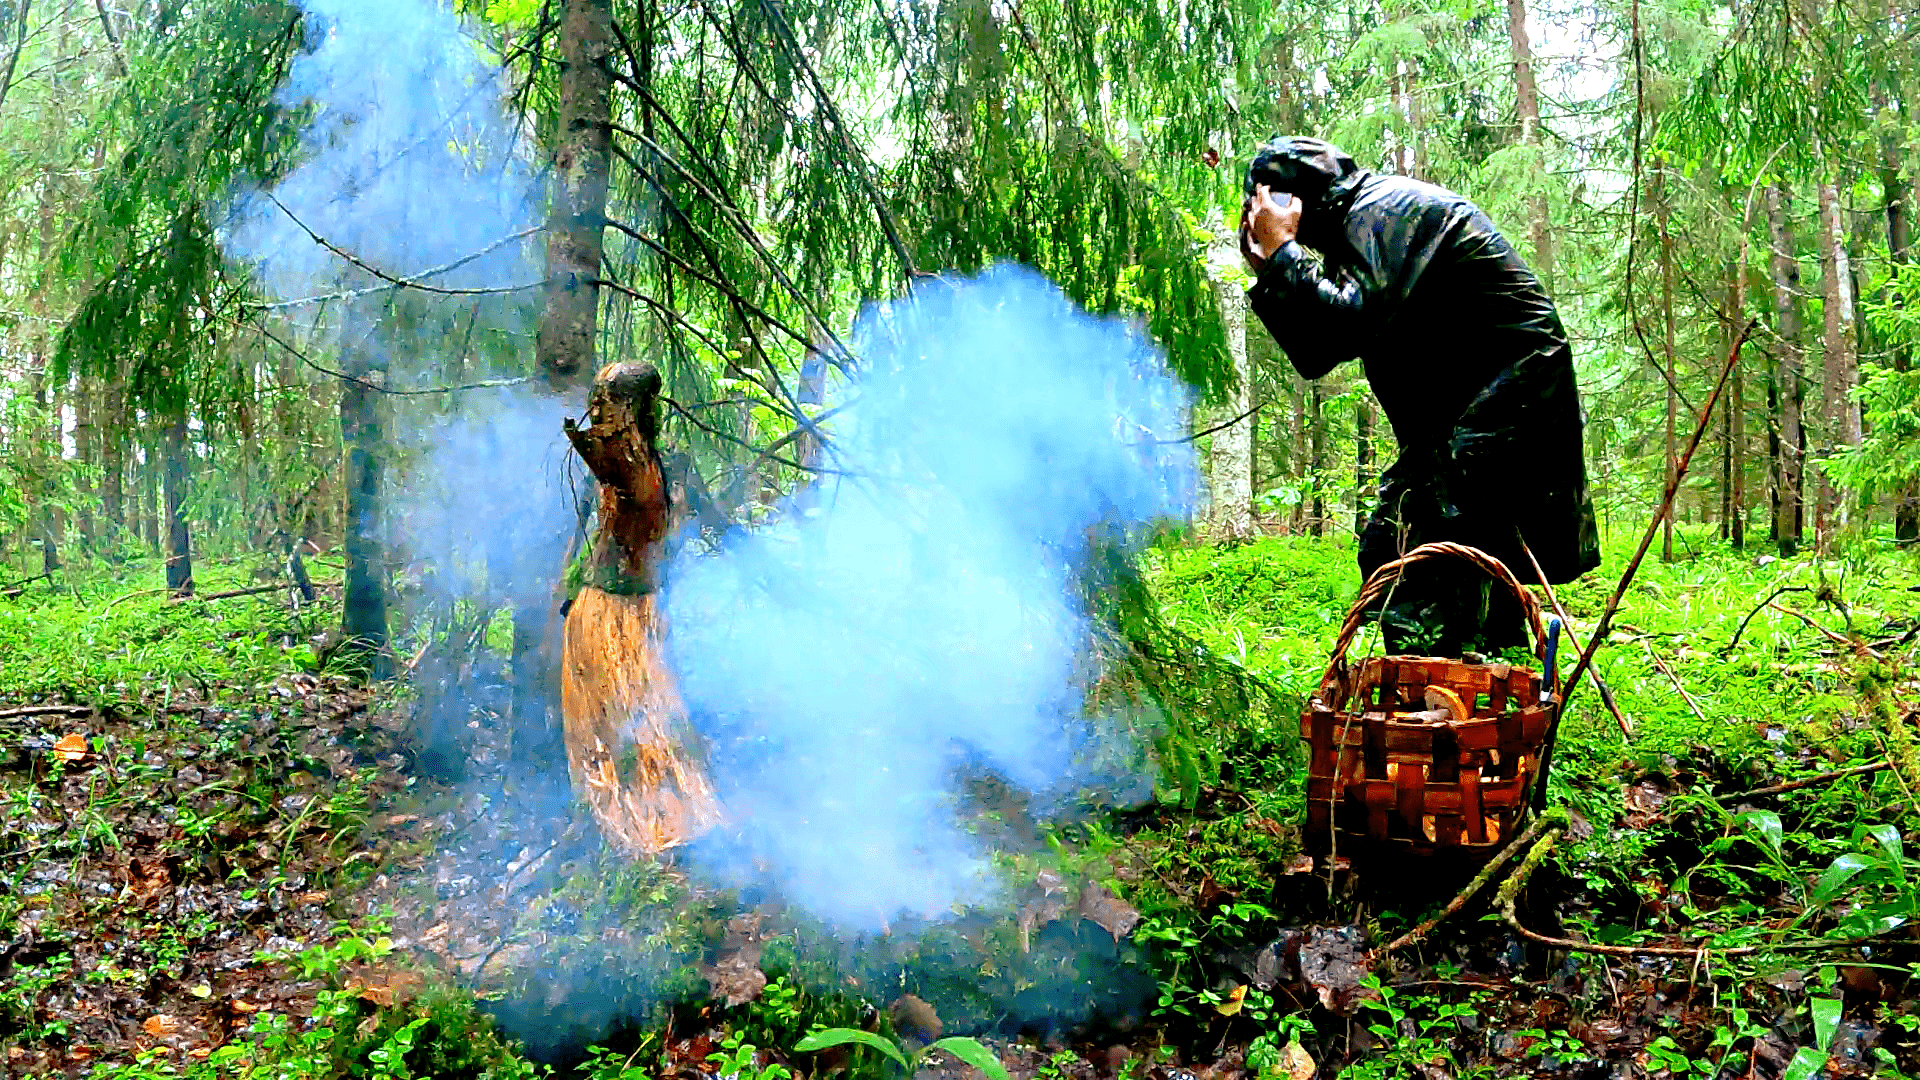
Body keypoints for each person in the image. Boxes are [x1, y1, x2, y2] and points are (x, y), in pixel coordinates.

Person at [1238, 135, 1599, 657]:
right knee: (1439, 544)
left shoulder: (1380, 212)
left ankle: (1438, 702)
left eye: (1260, 211)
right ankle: (1493, 689)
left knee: (1412, 547)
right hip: (1484, 403)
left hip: (1511, 396)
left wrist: (1283, 255)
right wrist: (1274, 266)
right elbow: (1317, 352)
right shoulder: (1357, 225)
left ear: (1288, 203)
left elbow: (1342, 326)